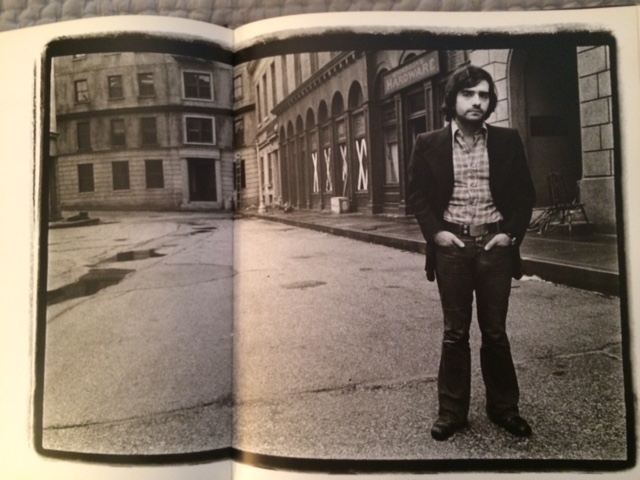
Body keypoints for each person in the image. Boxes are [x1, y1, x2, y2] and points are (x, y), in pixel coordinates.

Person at [408, 64, 536, 441]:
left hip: (495, 247)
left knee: (495, 332)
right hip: (453, 249)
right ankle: (452, 412)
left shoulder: (507, 140)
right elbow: (417, 195)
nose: (477, 101)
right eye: (468, 94)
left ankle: (504, 408)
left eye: (483, 94)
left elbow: (525, 195)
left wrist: (510, 235)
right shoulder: (428, 143)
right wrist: (436, 234)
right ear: (453, 100)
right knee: (455, 333)